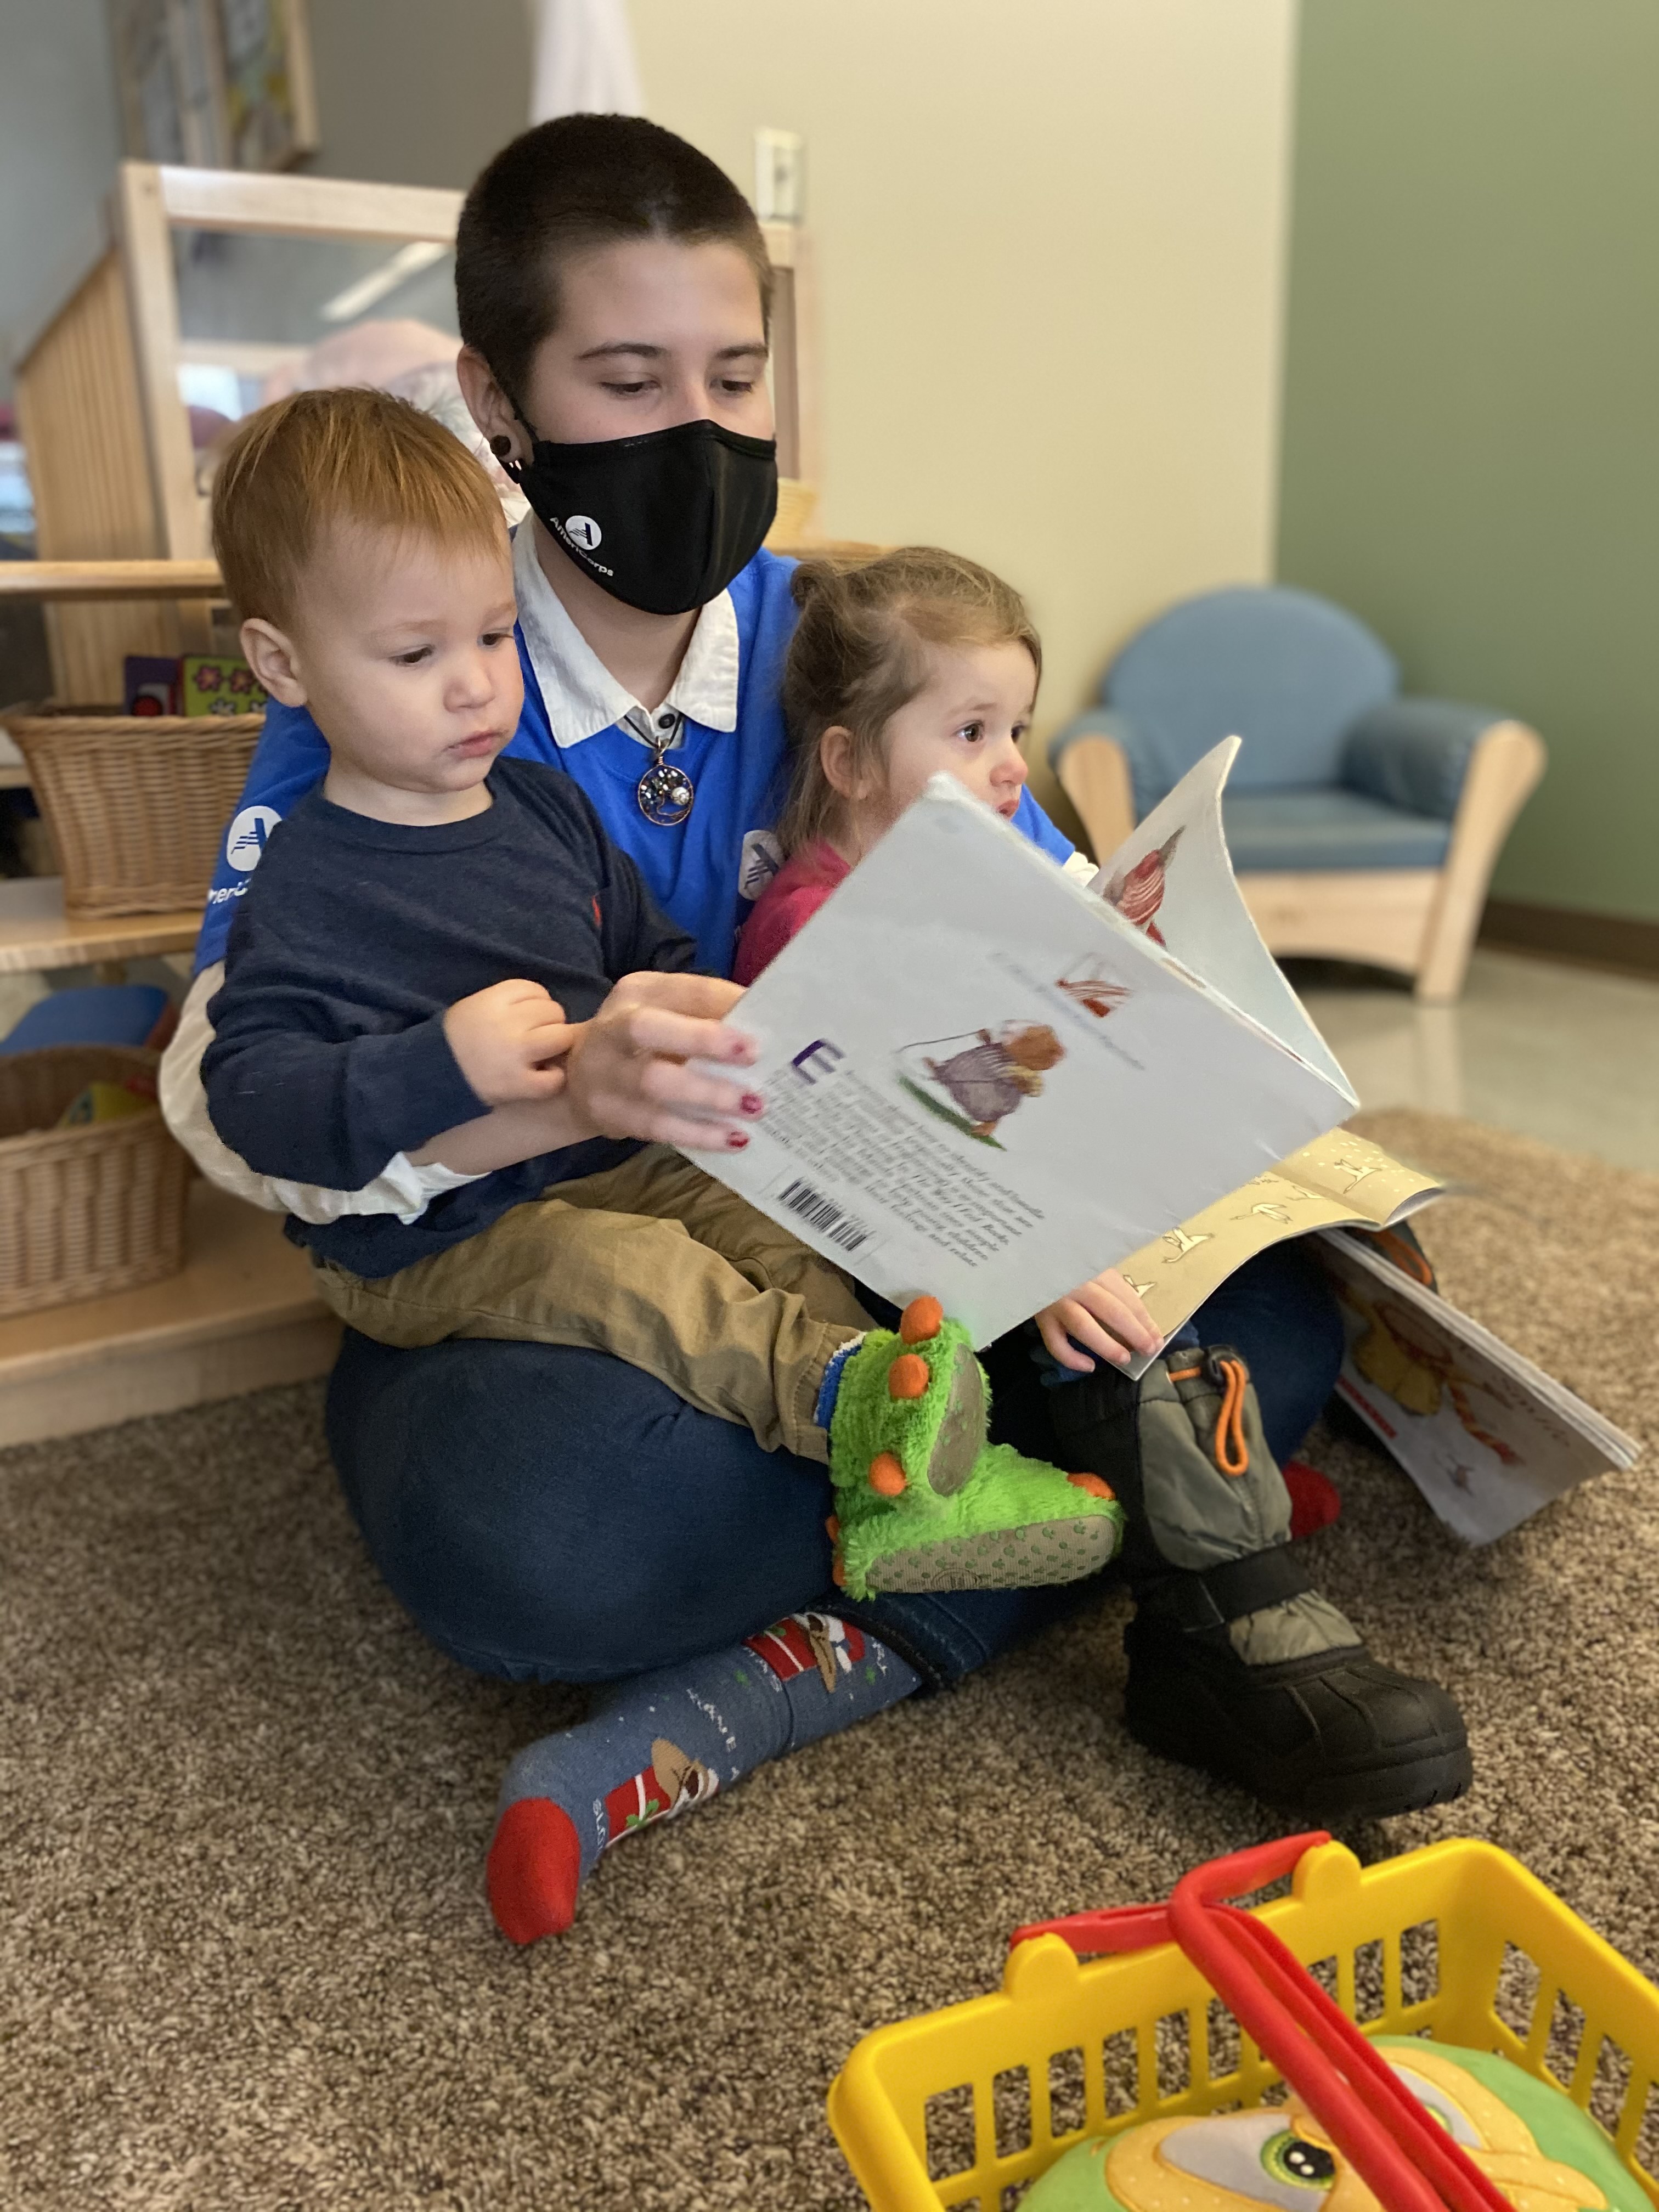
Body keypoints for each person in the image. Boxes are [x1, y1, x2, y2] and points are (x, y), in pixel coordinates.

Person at [161, 115, 1471, 1949]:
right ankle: (1138, 1507)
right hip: (529, 1248)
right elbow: (229, 1102)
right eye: (626, 379)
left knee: (1264, 1296)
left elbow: (1058, 945)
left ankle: (929, 1554)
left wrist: (1121, 1172)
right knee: (536, 1531)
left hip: (872, 1222)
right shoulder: (392, 656)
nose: (696, 429)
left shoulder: (848, 636)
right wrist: (525, 1082)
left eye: (735, 376)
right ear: (500, 400)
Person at [200, 384, 1127, 1601]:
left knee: (771, 1238)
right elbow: (251, 1097)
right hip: (439, 1233)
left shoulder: (543, 811)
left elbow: (655, 955)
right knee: (644, 1284)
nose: (477, 687)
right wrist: (443, 1063)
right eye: (417, 655)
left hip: (616, 1158)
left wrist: (711, 1021)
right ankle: (851, 1413)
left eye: (492, 637)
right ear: (283, 662)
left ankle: (913, 1469)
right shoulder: (310, 882)